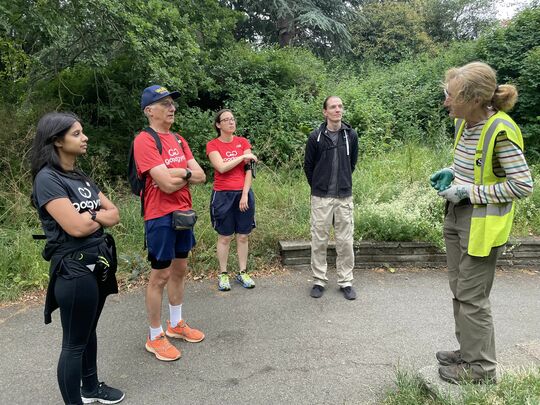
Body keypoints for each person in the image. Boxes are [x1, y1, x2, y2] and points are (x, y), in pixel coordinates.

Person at [430, 62, 533, 384]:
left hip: (481, 225)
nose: (446, 101)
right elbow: (474, 167)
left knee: (473, 298)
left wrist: (468, 191)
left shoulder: (501, 131)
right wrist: (452, 172)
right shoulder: (465, 124)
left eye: (451, 96)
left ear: (473, 100)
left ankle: (481, 370)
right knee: (460, 292)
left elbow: (523, 185)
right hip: (457, 215)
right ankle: (468, 352)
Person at [31, 112, 125, 404]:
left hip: (98, 263)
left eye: (82, 132)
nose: (84, 138)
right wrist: (97, 217)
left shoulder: (80, 177)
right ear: (57, 140)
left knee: (88, 331)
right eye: (76, 134)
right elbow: (75, 226)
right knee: (73, 344)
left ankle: (90, 388)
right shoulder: (47, 178)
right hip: (73, 270)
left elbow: (115, 213)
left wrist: (92, 215)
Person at [133, 85, 206, 362]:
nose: (171, 108)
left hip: (183, 214)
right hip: (159, 216)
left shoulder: (178, 139)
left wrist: (180, 172)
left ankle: (176, 325)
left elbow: (201, 176)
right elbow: (163, 184)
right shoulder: (145, 140)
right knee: (160, 276)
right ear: (149, 111)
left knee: (180, 269)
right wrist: (184, 173)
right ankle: (154, 335)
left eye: (172, 103)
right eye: (163, 104)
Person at [304, 96, 359, 300]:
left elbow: (352, 163)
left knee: (345, 241)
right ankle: (319, 280)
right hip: (321, 198)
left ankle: (345, 281)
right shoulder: (315, 137)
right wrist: (318, 185)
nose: (338, 110)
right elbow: (308, 167)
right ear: (325, 112)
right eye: (333, 107)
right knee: (319, 240)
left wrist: (342, 182)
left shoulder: (350, 135)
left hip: (344, 196)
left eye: (340, 106)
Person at [206, 109, 257, 291]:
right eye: (226, 120)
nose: (231, 122)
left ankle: (243, 272)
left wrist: (245, 194)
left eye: (232, 119)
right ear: (218, 125)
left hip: (243, 193)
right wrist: (242, 156)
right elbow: (221, 167)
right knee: (225, 237)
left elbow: (249, 170)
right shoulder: (212, 145)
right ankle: (223, 274)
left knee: (243, 236)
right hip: (222, 195)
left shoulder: (243, 142)